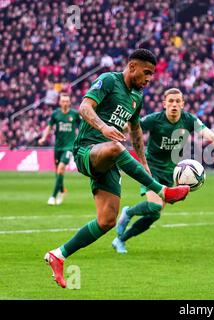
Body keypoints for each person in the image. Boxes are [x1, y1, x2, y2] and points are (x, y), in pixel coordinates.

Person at [44, 49, 190, 288]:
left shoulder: (137, 97)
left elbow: (135, 131)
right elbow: (84, 107)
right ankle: (163, 191)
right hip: (86, 150)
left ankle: (58, 255)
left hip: (109, 161)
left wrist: (144, 164)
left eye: (152, 75)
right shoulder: (109, 80)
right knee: (115, 146)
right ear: (132, 67)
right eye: (146, 73)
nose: (149, 79)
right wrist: (103, 128)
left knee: (107, 221)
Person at [112, 88, 214, 253]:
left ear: (183, 104)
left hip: (171, 172)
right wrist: (113, 132)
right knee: (155, 206)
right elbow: (131, 126)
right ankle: (128, 212)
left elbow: (210, 135)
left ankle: (121, 240)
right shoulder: (155, 119)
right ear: (164, 104)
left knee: (154, 215)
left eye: (178, 101)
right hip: (151, 169)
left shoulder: (188, 119)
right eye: (171, 101)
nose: (174, 105)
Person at [38, 92, 81, 205]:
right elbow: (49, 126)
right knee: (57, 172)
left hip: (69, 146)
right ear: (60, 102)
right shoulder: (55, 114)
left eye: (67, 101)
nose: (65, 103)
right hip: (58, 146)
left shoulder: (75, 114)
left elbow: (81, 127)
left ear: (70, 102)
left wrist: (82, 139)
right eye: (63, 101)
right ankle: (62, 190)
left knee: (61, 168)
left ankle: (53, 196)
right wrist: (43, 138)